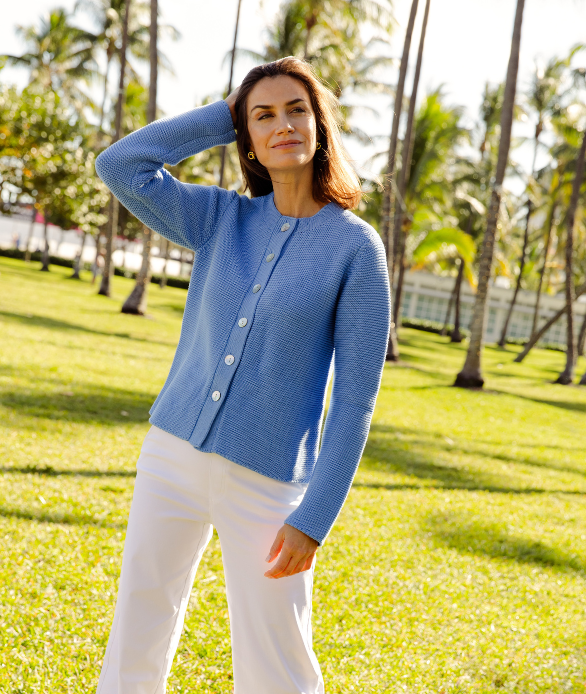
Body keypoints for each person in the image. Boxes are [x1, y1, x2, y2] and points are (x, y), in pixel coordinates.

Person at [92, 56, 391, 693]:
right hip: (170, 454)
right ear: (246, 137)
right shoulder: (220, 219)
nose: (282, 125)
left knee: (276, 656)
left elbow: (356, 400)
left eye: (296, 110)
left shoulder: (355, 247)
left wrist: (315, 518)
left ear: (320, 125)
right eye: (262, 115)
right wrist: (220, 117)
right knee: (140, 619)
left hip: (267, 480)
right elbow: (120, 165)